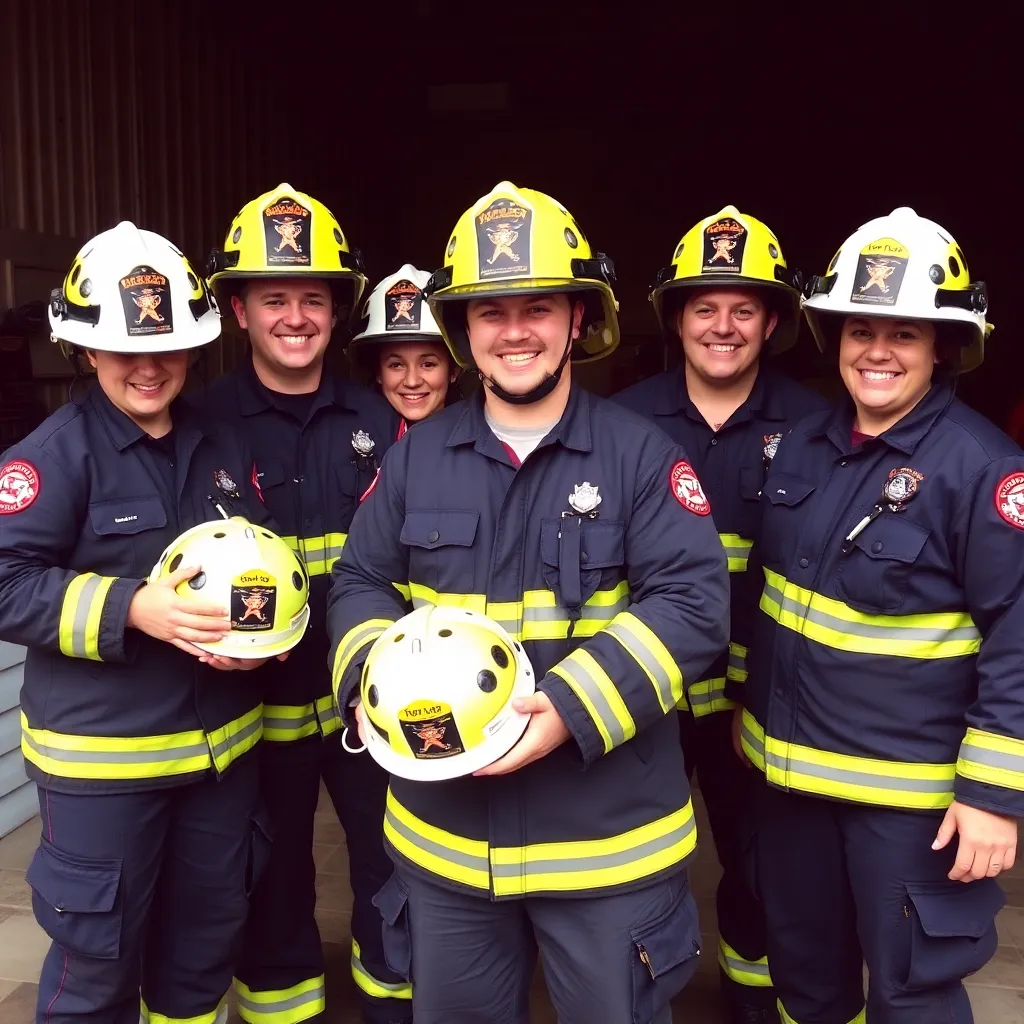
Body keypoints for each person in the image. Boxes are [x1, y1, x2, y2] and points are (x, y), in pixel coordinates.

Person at [325, 181, 732, 1024]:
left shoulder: (641, 456)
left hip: (606, 851)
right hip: (447, 849)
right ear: (463, 330)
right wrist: (370, 679)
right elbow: (360, 580)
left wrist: (564, 710)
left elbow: (693, 606)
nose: (515, 331)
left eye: (538, 307)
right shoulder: (414, 459)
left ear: (579, 319)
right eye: (489, 312)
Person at [732, 207, 1017, 1023]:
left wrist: (994, 794)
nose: (879, 352)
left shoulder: (985, 473)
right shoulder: (804, 446)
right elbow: (770, 601)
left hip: (908, 808)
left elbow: (1019, 640)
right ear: (836, 339)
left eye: (906, 334)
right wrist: (749, 714)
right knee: (806, 981)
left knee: (910, 994)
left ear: (944, 348)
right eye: (862, 329)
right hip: (788, 784)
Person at [0, 222, 277, 1024]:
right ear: (87, 352)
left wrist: (254, 641)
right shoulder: (53, 456)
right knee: (97, 969)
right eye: (125, 350)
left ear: (193, 349)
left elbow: (248, 567)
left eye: (167, 348)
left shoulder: (220, 443)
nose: (148, 368)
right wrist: (133, 609)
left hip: (220, 762)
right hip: (104, 772)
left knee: (200, 958)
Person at [613, 205, 831, 1023]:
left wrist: (760, 699)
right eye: (705, 307)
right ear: (676, 318)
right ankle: (640, 998)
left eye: (744, 308)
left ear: (772, 321)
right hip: (646, 697)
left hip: (760, 703)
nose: (724, 326)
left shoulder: (818, 429)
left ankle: (750, 1002)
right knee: (638, 866)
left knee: (761, 866)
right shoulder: (622, 422)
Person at [199, 184, 406, 1024]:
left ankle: (395, 1003)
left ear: (337, 310)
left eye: (312, 298)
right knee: (270, 876)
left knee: (392, 869)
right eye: (274, 297)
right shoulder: (198, 422)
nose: (295, 316)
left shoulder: (380, 416)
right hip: (250, 710)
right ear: (240, 310)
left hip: (371, 704)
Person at [348, 264, 460, 436]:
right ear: (378, 371)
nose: (412, 381)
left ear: (454, 370)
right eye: (396, 365)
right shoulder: (347, 438)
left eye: (428, 364)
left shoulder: (485, 444)